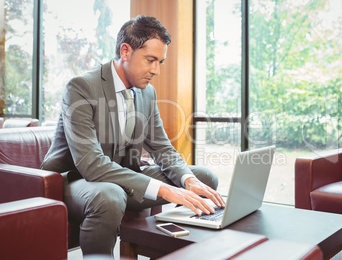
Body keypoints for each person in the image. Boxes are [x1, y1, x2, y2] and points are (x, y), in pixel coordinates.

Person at [41, 15, 225, 256]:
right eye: (150, 60)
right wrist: (164, 190)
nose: (156, 70)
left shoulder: (146, 93)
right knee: (111, 195)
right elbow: (92, 165)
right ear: (125, 51)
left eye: (160, 62)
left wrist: (188, 180)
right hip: (74, 181)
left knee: (204, 178)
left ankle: (176, 253)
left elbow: (162, 148)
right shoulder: (81, 88)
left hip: (122, 177)